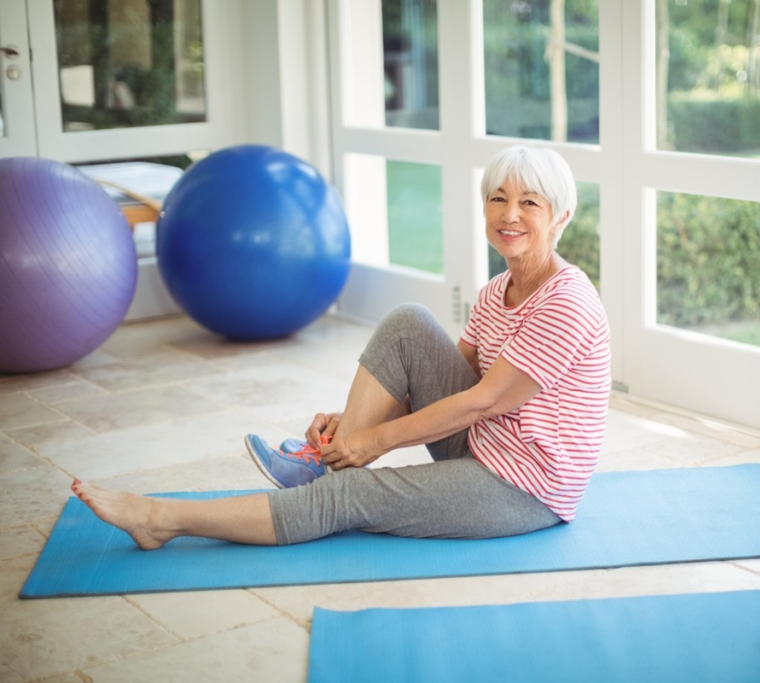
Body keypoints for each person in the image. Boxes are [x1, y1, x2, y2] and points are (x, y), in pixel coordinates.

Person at [72, 145, 611, 548]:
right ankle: (328, 458)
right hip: (481, 444)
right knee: (409, 322)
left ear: (560, 217)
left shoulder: (565, 301)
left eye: (529, 203)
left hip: (523, 485)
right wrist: (351, 422)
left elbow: (482, 401)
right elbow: (453, 374)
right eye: (498, 199)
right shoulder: (499, 290)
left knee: (347, 498)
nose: (509, 214)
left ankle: (160, 520)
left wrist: (374, 440)